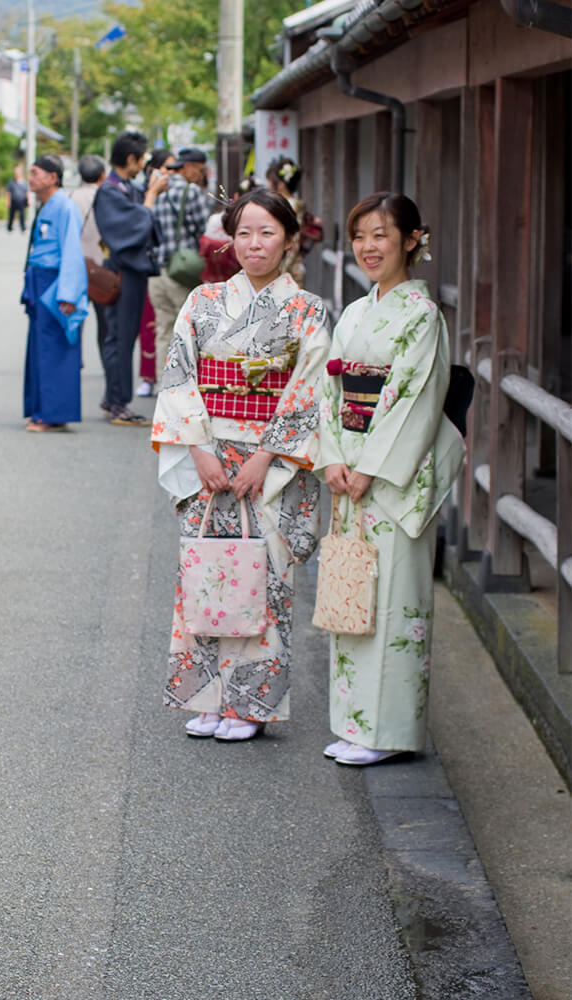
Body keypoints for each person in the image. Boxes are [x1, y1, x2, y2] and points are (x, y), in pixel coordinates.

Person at [152, 188, 331, 741]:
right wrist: (200, 449)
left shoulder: (305, 309)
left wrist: (263, 457)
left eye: (268, 232)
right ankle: (207, 696)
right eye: (245, 232)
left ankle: (250, 702)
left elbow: (309, 391)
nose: (255, 244)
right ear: (230, 240)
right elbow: (179, 373)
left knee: (267, 577)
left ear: (289, 240)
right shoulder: (202, 302)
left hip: (269, 466)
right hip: (208, 455)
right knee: (206, 573)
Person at [314, 192, 465, 766]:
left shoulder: (422, 316)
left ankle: (389, 731)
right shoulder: (354, 312)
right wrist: (332, 456)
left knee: (395, 601)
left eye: (381, 234)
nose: (369, 246)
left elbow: (414, 401)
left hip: (390, 478)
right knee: (352, 592)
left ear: (411, 240)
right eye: (360, 235)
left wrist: (370, 468)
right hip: (348, 468)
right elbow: (330, 392)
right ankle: (353, 724)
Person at [93, 130, 166, 426]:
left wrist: (149, 195)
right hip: (122, 272)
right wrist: (149, 196)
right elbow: (133, 227)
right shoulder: (109, 191)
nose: (143, 164)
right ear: (130, 159)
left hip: (132, 272)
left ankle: (113, 397)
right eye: (141, 159)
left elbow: (147, 225)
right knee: (119, 338)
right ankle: (118, 403)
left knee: (123, 337)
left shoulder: (123, 187)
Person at [21, 154, 88, 432]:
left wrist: (69, 294)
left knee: (54, 350)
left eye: (36, 173)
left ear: (52, 177)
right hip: (41, 281)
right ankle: (41, 409)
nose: (31, 178)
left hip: (56, 285)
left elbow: (72, 250)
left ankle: (53, 414)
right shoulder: (48, 205)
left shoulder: (64, 206)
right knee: (41, 349)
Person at [148, 148, 211, 384]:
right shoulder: (190, 191)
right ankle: (185, 387)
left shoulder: (152, 189)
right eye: (200, 169)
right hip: (181, 273)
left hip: (154, 272)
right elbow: (205, 230)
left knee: (163, 330)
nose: (201, 175)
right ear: (188, 167)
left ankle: (164, 386)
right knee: (187, 331)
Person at [135, 149, 174, 399]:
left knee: (165, 325)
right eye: (167, 168)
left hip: (168, 268)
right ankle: (149, 377)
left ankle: (164, 379)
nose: (171, 173)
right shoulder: (143, 194)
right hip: (148, 267)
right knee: (150, 326)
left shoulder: (180, 193)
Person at [69, 154, 110, 378]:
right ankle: (107, 364)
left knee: (76, 319)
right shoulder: (107, 196)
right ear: (102, 175)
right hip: (102, 267)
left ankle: (74, 361)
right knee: (105, 322)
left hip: (77, 266)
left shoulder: (70, 197)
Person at [6, 164, 28, 232]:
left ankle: (23, 227)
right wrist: (7, 201)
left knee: (22, 215)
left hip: (22, 201)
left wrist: (29, 200)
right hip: (13, 201)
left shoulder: (24, 182)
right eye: (16, 173)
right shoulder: (11, 182)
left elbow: (27, 192)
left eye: (18, 173)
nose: (17, 174)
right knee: (11, 215)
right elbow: (8, 192)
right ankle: (9, 227)